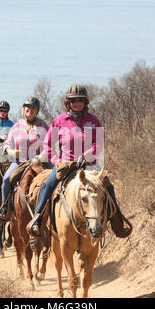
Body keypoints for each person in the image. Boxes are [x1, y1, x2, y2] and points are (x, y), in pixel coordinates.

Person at [26, 84, 132, 238]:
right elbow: (48, 145)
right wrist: (56, 160)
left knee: (108, 186)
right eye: (73, 100)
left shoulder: (93, 120)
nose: (77, 103)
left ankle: (118, 223)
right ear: (68, 102)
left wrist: (89, 154)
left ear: (85, 102)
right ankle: (37, 219)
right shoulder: (59, 121)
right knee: (47, 185)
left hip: (88, 164)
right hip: (65, 164)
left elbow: (99, 142)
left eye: (80, 100)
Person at [0, 96, 49, 220]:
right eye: (27, 107)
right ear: (23, 109)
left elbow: (50, 145)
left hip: (39, 163)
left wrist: (42, 156)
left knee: (52, 180)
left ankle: (51, 210)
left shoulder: (44, 127)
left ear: (37, 111)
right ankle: (6, 207)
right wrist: (12, 152)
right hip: (20, 162)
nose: (30, 110)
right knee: (6, 179)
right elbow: (7, 145)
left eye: (33, 108)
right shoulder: (16, 127)